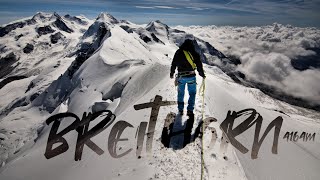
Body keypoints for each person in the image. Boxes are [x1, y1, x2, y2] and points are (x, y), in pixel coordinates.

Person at [170, 39, 205, 116]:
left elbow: (173, 63)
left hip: (181, 77)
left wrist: (172, 73)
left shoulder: (178, 52)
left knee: (181, 93)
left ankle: (180, 110)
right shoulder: (194, 53)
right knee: (192, 93)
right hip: (191, 77)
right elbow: (199, 65)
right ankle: (190, 110)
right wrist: (202, 74)